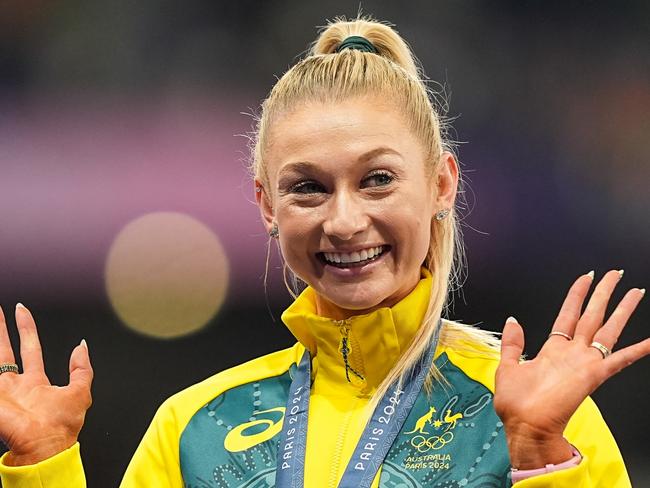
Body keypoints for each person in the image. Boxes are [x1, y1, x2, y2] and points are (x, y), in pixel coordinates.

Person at [0, 15, 647, 488]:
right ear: (266, 207)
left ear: (442, 184)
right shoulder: (193, 429)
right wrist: (41, 468)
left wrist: (539, 457)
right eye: (308, 187)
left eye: (377, 179)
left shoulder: (535, 413)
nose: (343, 220)